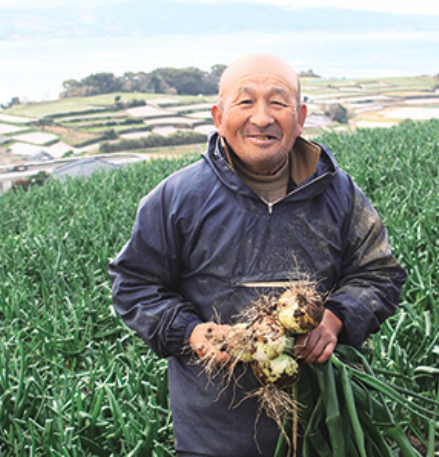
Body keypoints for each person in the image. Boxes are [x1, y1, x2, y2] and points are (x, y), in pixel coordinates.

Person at [108, 53, 407, 457]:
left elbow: (380, 273)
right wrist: (192, 333)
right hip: (213, 435)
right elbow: (134, 285)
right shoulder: (176, 198)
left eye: (278, 103)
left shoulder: (339, 193)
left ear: (300, 117)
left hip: (323, 423)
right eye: (245, 102)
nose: (262, 117)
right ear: (218, 115)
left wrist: (334, 321)